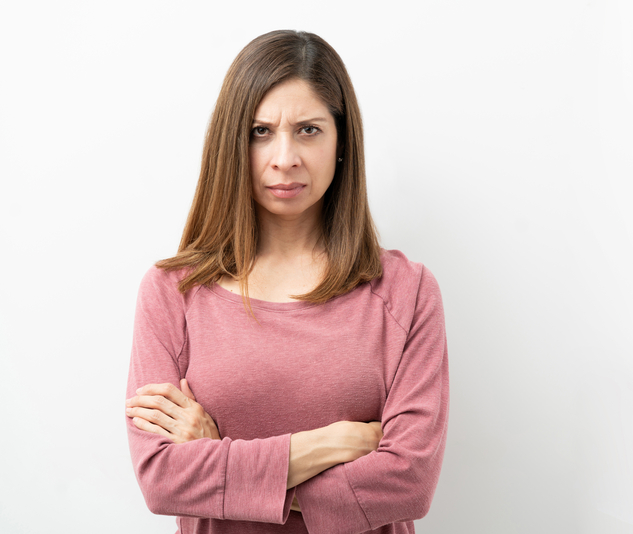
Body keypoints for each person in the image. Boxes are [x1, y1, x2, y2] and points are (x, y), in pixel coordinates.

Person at [124, 30, 448, 534]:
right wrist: (329, 444)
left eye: (309, 130)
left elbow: (410, 482)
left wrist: (218, 461)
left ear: (342, 142)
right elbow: (162, 479)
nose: (284, 157)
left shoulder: (406, 291)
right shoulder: (173, 292)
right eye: (260, 131)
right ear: (232, 143)